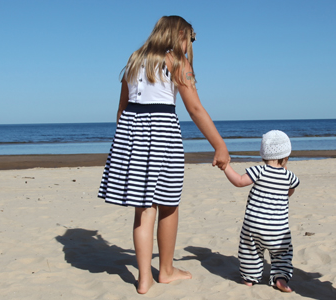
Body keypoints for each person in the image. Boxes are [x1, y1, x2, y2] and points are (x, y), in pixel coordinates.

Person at [97, 15, 231, 294]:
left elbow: (122, 109)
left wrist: (128, 143)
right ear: (180, 35)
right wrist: (219, 144)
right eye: (190, 38)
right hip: (162, 133)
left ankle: (144, 278)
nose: (190, 44)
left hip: (131, 134)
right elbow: (194, 109)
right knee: (168, 203)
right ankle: (166, 270)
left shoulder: (135, 59)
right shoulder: (176, 61)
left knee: (144, 208)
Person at [223, 130, 299, 293]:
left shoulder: (258, 171)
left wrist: (226, 166)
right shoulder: (289, 176)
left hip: (254, 225)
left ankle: (249, 278)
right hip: (278, 229)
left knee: (250, 250)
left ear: (263, 155)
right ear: (286, 157)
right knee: (282, 254)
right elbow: (289, 192)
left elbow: (239, 181)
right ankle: (280, 278)